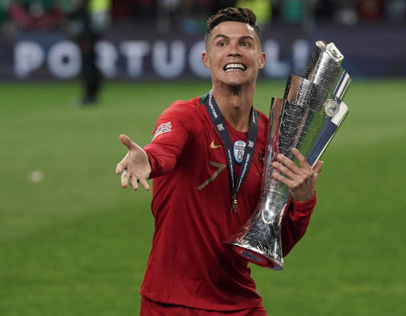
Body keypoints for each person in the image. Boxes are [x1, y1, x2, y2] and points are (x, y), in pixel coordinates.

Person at [115, 7, 323, 316]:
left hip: (240, 303)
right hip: (173, 303)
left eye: (245, 43)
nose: (233, 51)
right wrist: (148, 159)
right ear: (206, 59)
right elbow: (164, 149)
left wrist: (303, 201)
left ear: (262, 59)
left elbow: (273, 243)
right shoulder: (184, 116)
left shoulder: (272, 136)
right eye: (222, 43)